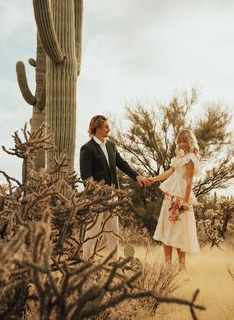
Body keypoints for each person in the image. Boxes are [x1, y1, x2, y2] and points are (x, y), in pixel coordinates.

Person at [80, 115, 147, 260]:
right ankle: (86, 264)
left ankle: (113, 265)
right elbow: (86, 177)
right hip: (97, 198)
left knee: (113, 233)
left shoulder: (111, 146)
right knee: (92, 233)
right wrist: (94, 197)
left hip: (113, 197)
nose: (109, 129)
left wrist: (137, 176)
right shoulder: (87, 149)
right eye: (106, 127)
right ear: (97, 128)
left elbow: (122, 164)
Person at [146, 129, 202, 270]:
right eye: (179, 141)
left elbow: (189, 182)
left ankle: (182, 267)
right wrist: (153, 179)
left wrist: (185, 201)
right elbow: (169, 172)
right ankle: (168, 266)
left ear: (189, 141)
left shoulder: (190, 158)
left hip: (180, 198)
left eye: (184, 141)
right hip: (169, 197)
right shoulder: (177, 158)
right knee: (167, 231)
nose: (182, 144)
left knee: (179, 232)